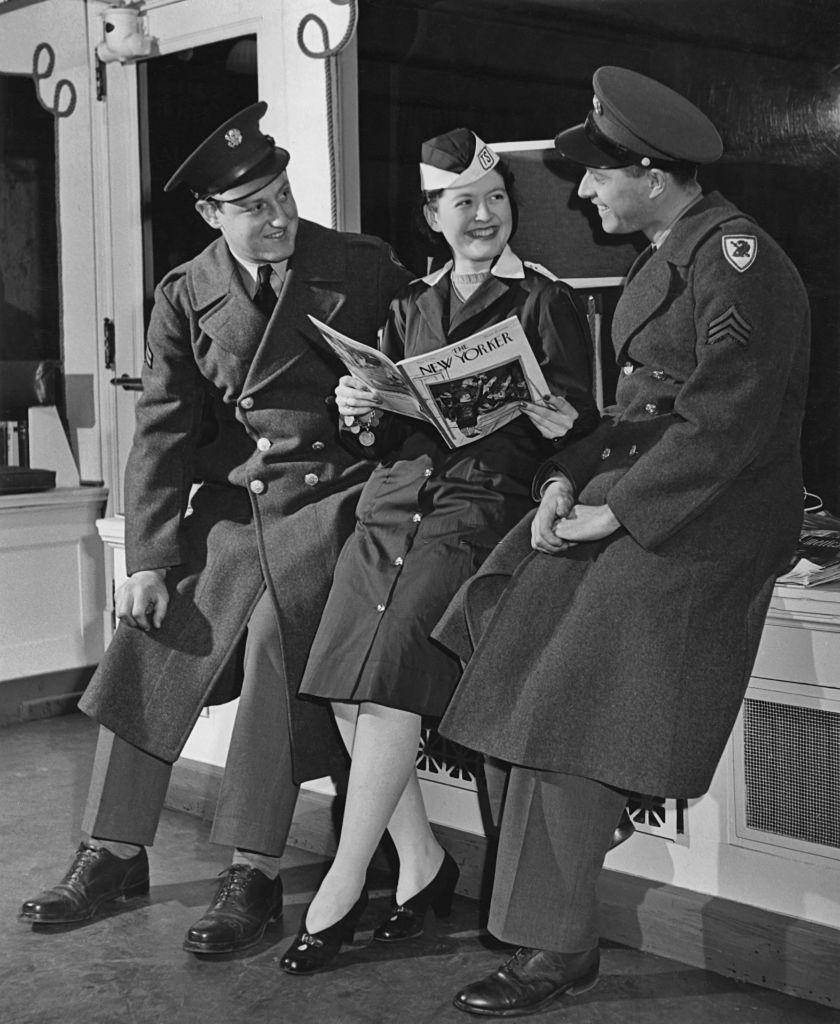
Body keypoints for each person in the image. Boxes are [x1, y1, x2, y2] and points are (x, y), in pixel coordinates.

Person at [433, 68, 811, 1018]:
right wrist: (566, 478)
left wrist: (620, 509)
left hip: (709, 522)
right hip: (659, 497)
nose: (584, 193)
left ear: (650, 172)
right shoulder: (665, 255)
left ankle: (555, 948)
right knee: (498, 636)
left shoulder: (734, 260)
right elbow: (634, 414)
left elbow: (727, 422)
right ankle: (536, 917)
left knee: (564, 691)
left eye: (599, 177)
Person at [18, 102, 411, 954]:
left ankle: (254, 869)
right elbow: (161, 429)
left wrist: (378, 411)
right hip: (238, 510)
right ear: (210, 215)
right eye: (253, 207)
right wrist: (152, 559)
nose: (277, 219)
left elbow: (413, 385)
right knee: (152, 631)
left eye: (281, 195)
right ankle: (113, 850)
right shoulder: (186, 291)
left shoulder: (363, 266)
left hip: (337, 502)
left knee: (274, 635)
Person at [279, 128, 598, 975]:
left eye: (496, 199)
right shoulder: (408, 307)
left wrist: (565, 430)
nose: (485, 216)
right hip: (393, 505)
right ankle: (422, 868)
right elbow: (378, 430)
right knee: (347, 690)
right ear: (433, 217)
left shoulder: (546, 301)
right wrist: (359, 404)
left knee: (383, 691)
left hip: (476, 510)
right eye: (465, 204)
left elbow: (583, 431)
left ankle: (341, 890)